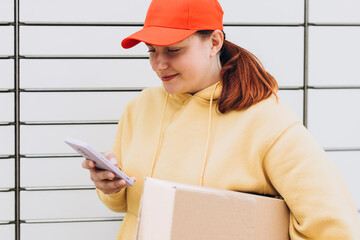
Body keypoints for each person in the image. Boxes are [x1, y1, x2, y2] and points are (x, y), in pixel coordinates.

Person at [82, 0, 360, 239]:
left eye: (173, 50)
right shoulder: (140, 107)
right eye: (152, 51)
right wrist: (110, 188)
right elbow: (126, 207)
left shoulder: (265, 120)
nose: (158, 64)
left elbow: (334, 226)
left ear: (214, 42)